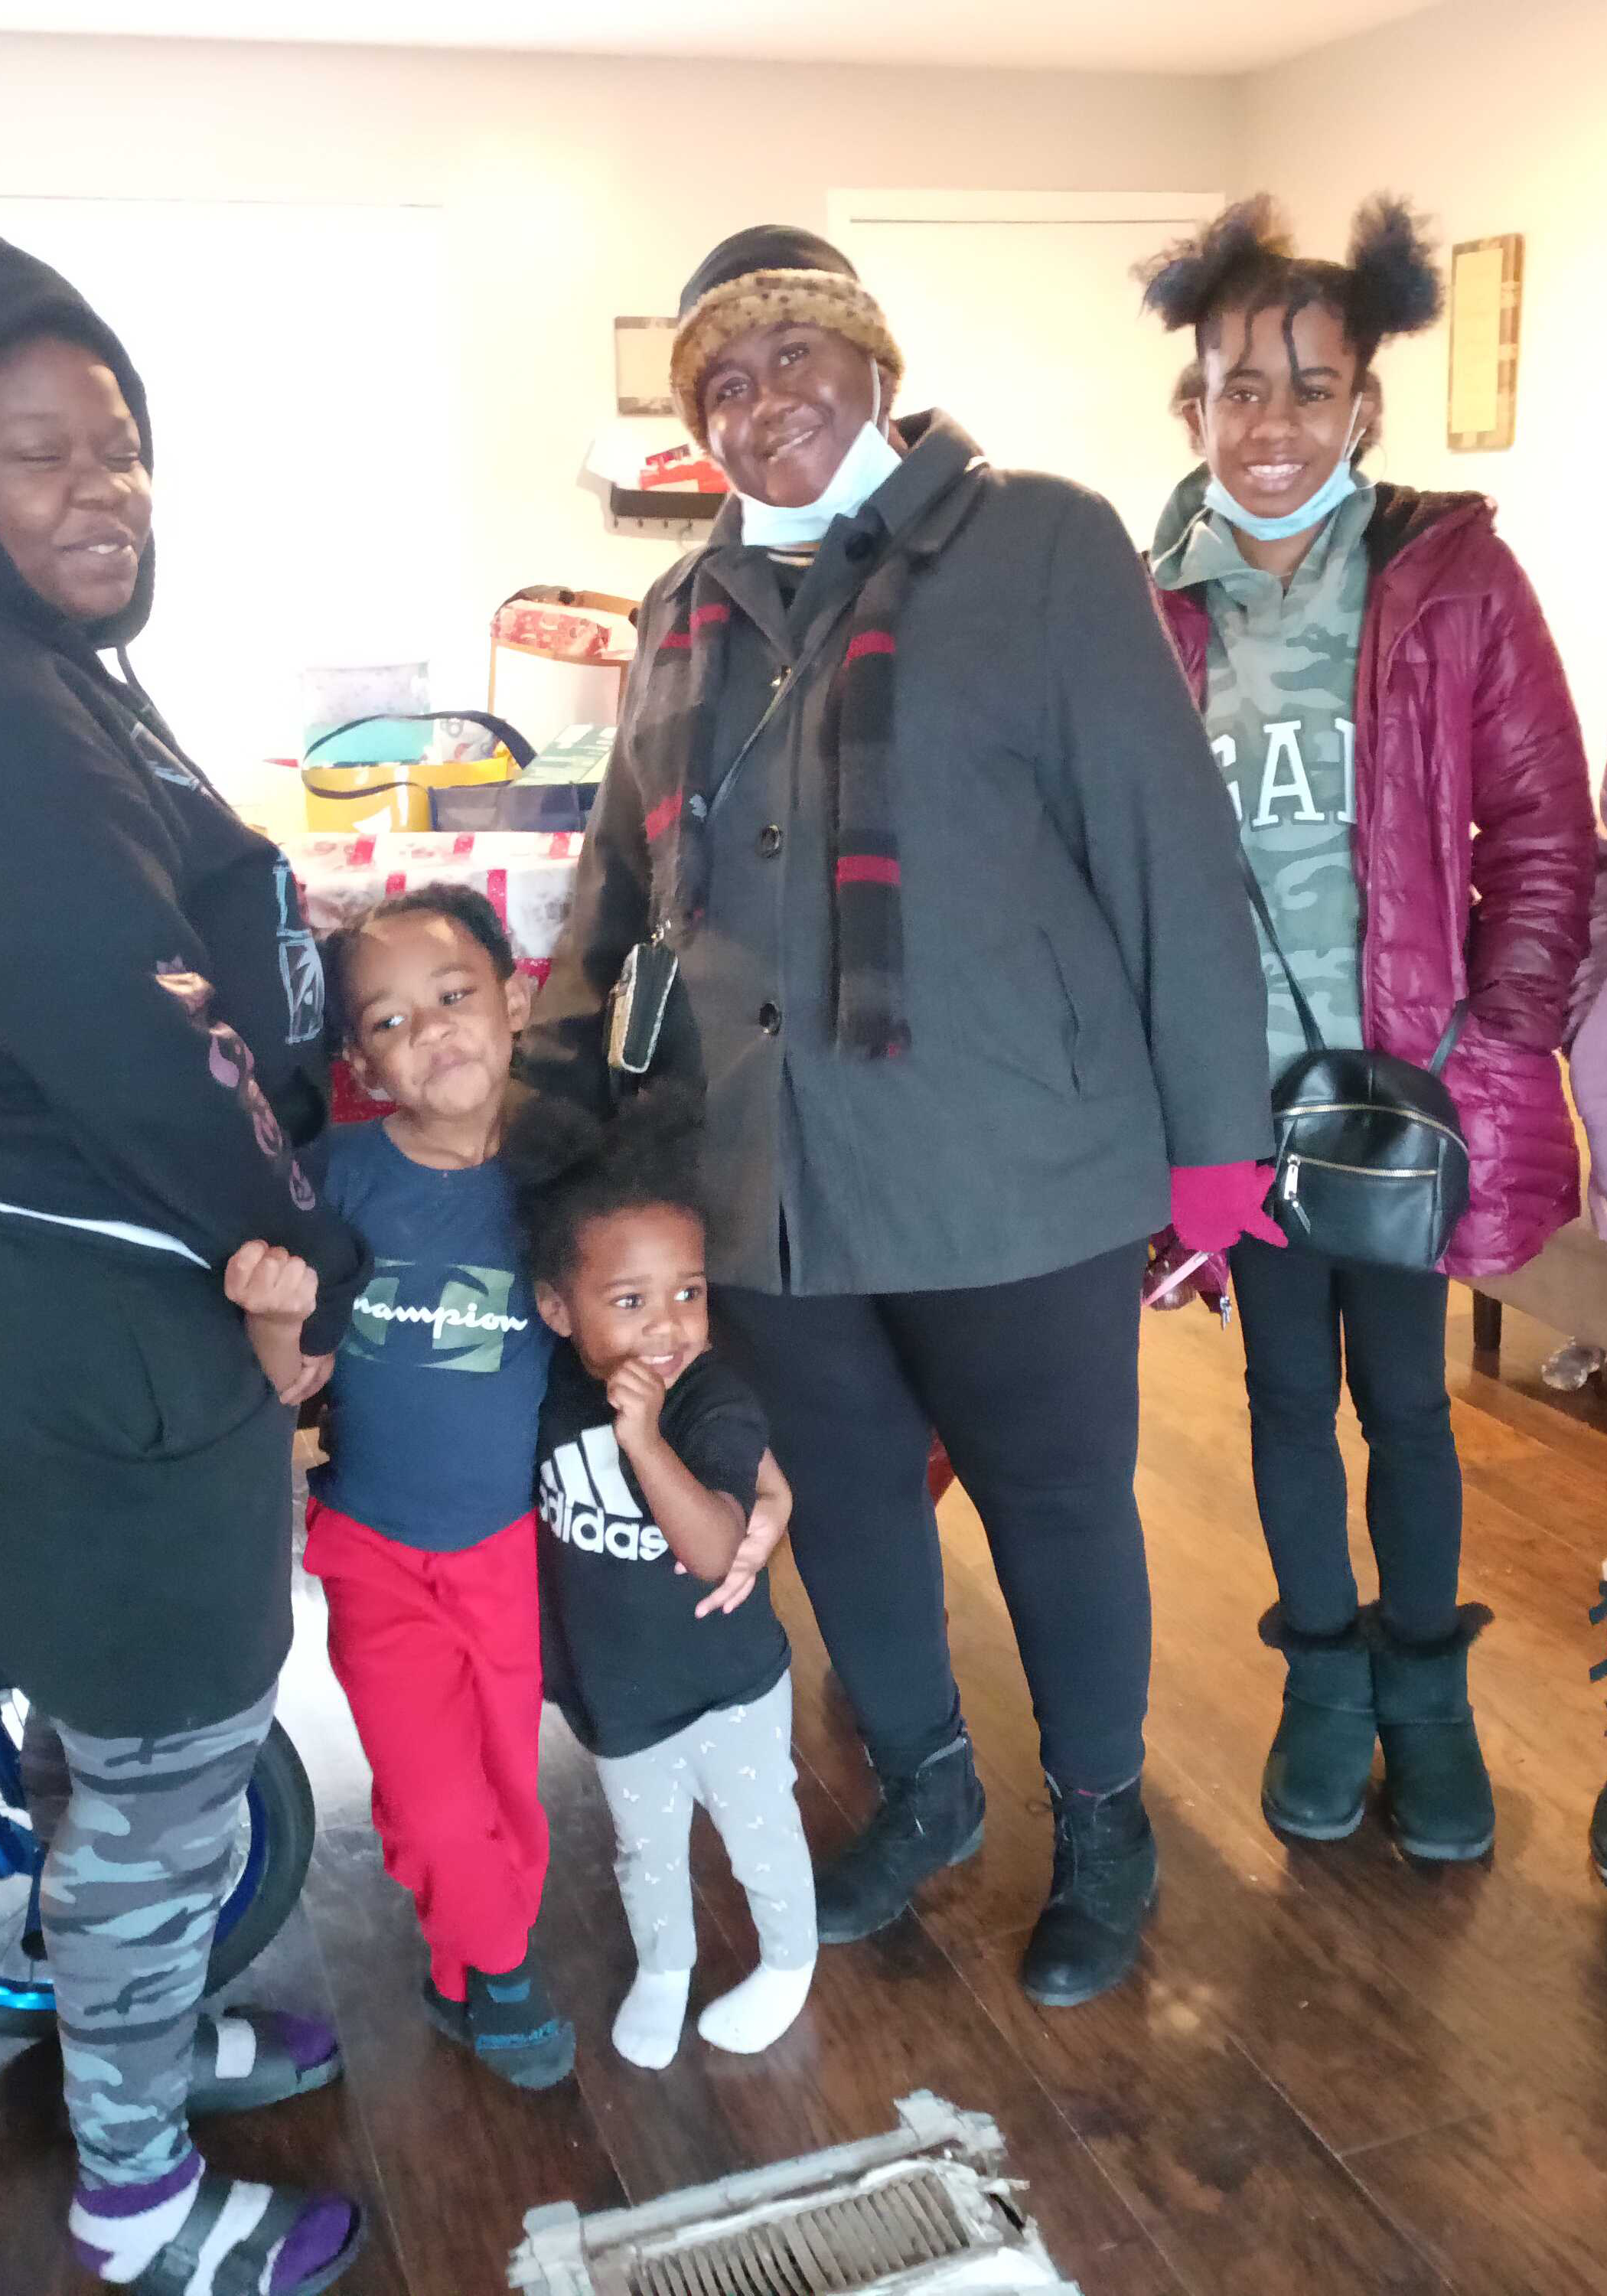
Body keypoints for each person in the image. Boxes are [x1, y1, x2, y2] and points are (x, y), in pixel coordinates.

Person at [520, 223, 1276, 2008]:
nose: (761, 401)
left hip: (1017, 1163)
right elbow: (627, 895)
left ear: (871, 365)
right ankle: (929, 1785)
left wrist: (1219, 1136)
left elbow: (1167, 844)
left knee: (1059, 1504)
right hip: (766, 1178)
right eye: (722, 380)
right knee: (845, 1502)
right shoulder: (684, 609)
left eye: (793, 358)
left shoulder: (1039, 545)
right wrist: (562, 1106)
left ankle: (1104, 1819)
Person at [0, 240, 368, 2291]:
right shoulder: (12, 712)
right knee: (158, 1779)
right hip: (122, 1325)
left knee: (107, 1751)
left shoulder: (66, 683)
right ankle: (138, 2195)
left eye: (118, 447)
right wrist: (298, 1250)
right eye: (38, 455)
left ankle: (140, 2053)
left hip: (99, 1320)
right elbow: (150, 1032)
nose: (97, 489)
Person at [1143, 195, 1595, 1861]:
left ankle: (1428, 1692)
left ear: (1364, 406)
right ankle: (1321, 1683)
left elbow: (1547, 832)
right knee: (1279, 1396)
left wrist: (1499, 1035)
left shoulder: (1453, 580)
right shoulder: (1149, 606)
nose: (1271, 425)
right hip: (1235, 1098)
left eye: (1307, 389)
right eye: (1237, 390)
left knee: (1404, 1401)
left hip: (1407, 1088)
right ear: (1193, 407)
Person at [253, 885, 572, 2089]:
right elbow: (291, 1378)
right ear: (361, 1066)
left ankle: (469, 1949)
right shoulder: (337, 1179)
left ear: (515, 998)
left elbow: (631, 1317)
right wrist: (274, 1319)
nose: (430, 1031)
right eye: (388, 1023)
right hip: (373, 1546)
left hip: (504, 1548)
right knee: (436, 1798)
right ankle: (501, 1973)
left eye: (453, 996)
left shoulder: (561, 1174)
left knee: (503, 1787)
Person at [510, 1088, 813, 2069]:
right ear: (559, 1310)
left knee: (760, 1835)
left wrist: (643, 1438)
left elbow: (717, 1548)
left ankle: (787, 1960)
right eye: (629, 1300)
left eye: (688, 1292)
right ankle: (666, 1965)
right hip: (622, 1692)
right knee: (646, 1851)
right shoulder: (552, 1384)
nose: (668, 1326)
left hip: (730, 1684)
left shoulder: (709, 1401)